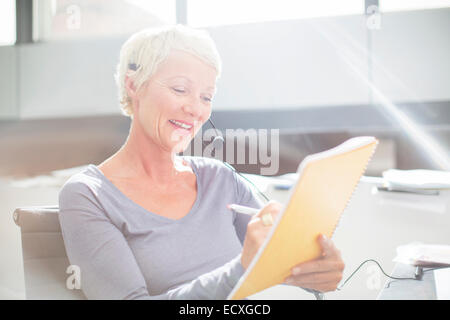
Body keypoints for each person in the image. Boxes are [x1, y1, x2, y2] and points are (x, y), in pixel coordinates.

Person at [58, 24, 345, 300]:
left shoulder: (219, 179)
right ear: (134, 85)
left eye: (206, 96)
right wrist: (241, 269)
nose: (195, 109)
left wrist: (317, 268)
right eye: (180, 90)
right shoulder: (87, 195)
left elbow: (281, 256)